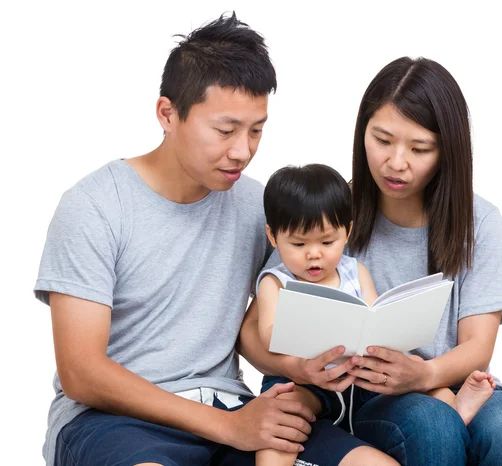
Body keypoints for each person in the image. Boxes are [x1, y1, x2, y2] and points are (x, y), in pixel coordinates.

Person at [34, 13, 376, 466]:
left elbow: (255, 326)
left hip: (230, 406)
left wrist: (296, 367)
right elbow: (81, 372)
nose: (243, 150)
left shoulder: (258, 206)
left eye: (256, 130)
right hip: (113, 421)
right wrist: (230, 428)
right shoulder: (94, 205)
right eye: (225, 130)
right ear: (167, 114)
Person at [240, 57, 502, 465]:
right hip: (358, 396)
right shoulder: (328, 218)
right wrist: (302, 370)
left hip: (447, 384)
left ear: (447, 151)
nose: (396, 162)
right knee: (430, 423)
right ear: (362, 133)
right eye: (382, 140)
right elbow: (252, 334)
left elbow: (478, 346)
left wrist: (424, 375)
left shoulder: (478, 222)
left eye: (419, 148)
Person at [254, 164, 498, 466]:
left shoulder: (355, 271)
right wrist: (301, 355)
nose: (313, 254)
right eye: (299, 244)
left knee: (426, 377)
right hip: (304, 379)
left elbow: (374, 314)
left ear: (348, 232)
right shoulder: (275, 282)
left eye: (327, 242)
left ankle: (458, 411)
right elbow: (267, 333)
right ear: (274, 237)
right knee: (282, 415)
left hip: (361, 379)